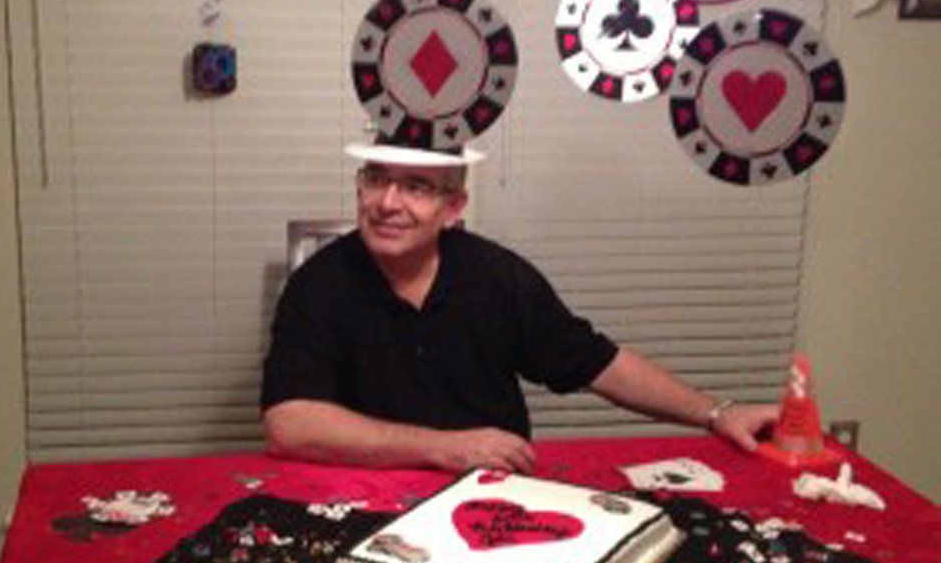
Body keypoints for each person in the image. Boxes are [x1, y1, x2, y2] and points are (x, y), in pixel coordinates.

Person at [261, 150, 778, 474]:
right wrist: (444, 447)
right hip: (360, 500)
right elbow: (291, 424)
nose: (388, 202)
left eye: (416, 186)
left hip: (493, 501)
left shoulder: (498, 276)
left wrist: (716, 413)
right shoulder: (318, 284)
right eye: (377, 179)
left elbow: (597, 362)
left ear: (454, 207)